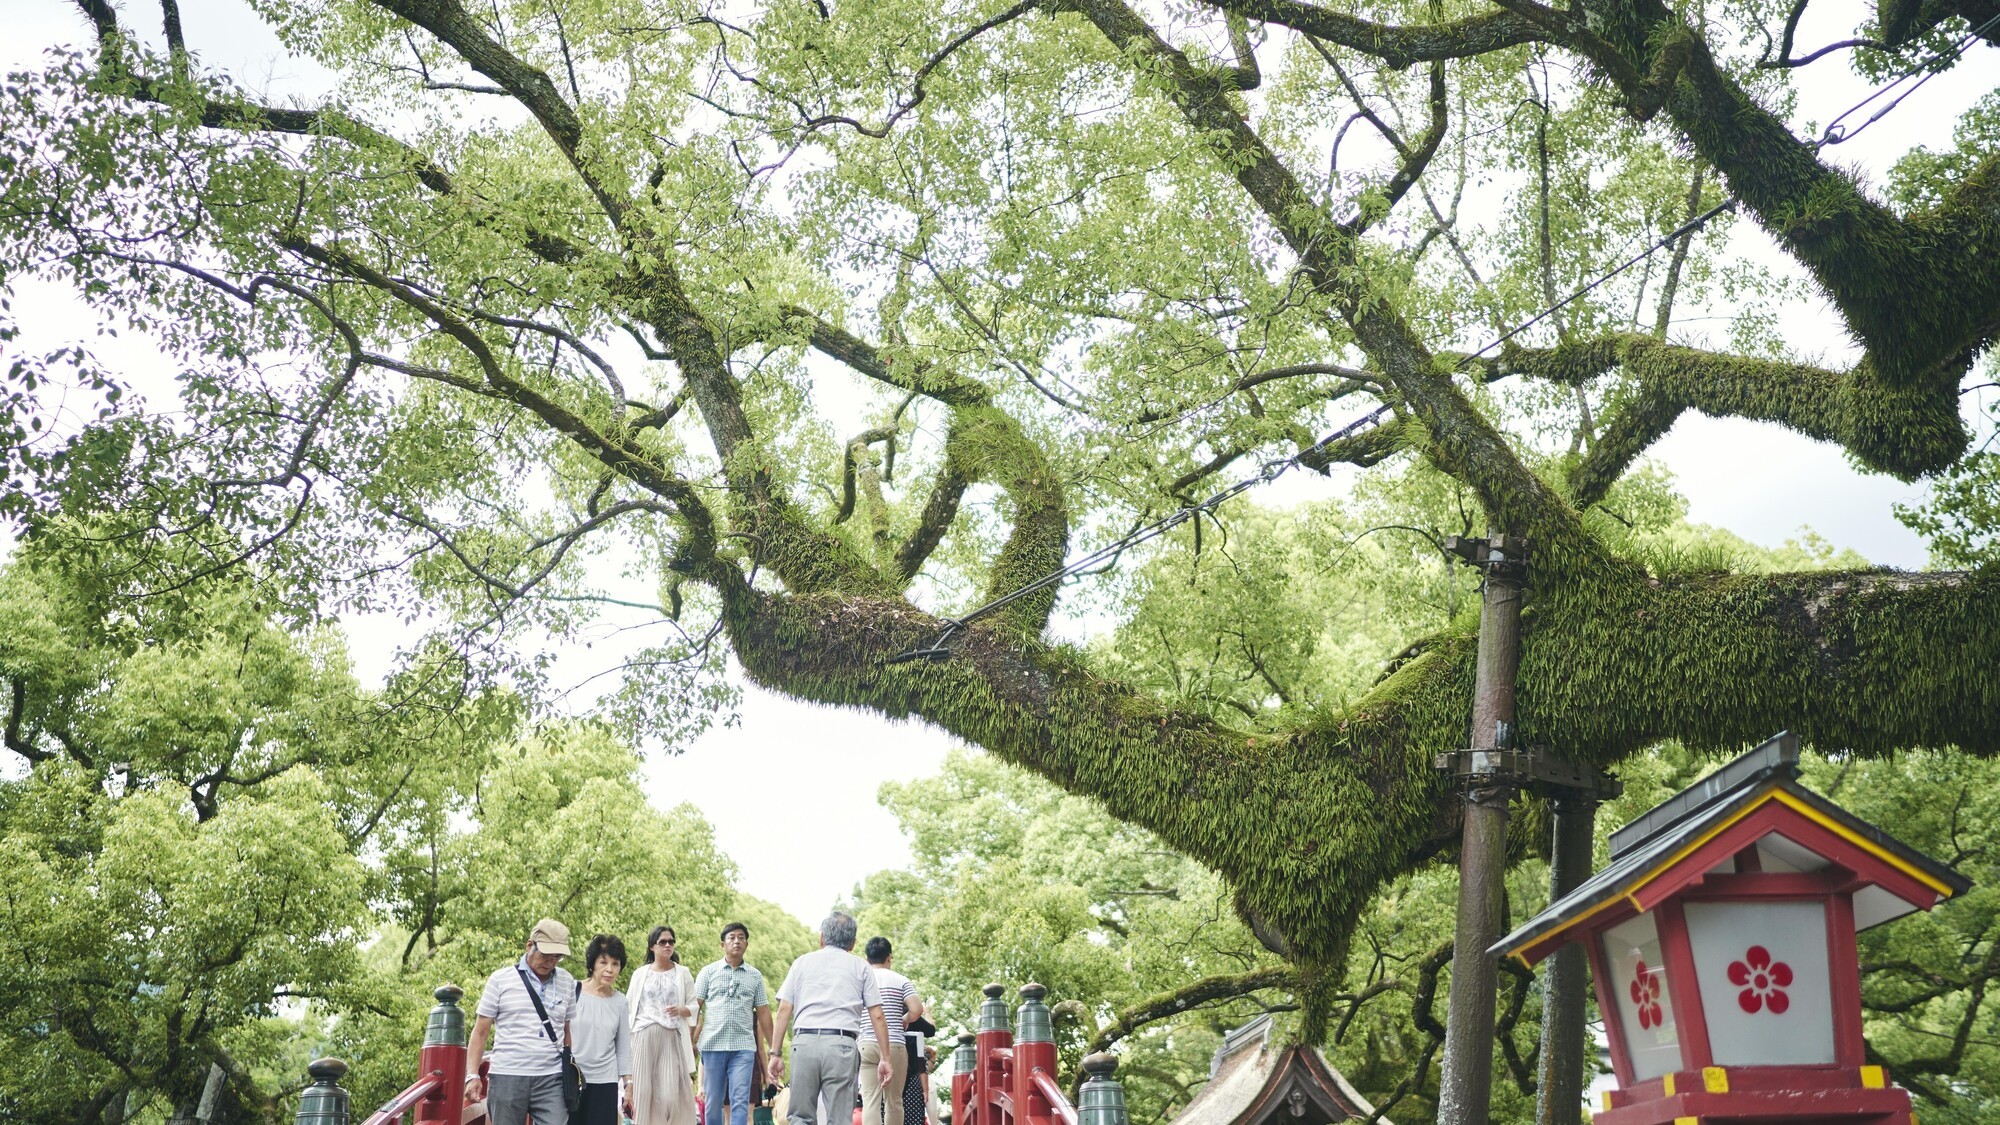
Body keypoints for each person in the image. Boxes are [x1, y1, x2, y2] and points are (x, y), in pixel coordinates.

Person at [766, 913, 893, 1125]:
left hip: (804, 1043)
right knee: (840, 1119)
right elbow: (877, 1015)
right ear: (852, 943)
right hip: (841, 1046)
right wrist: (886, 1058)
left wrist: (775, 1053)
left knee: (800, 1117)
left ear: (822, 938)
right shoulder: (861, 967)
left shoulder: (801, 963)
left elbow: (784, 1009)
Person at [468, 918, 579, 1125]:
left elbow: (566, 1030)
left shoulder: (567, 981)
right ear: (530, 945)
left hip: (552, 1078)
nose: (551, 961)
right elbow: (480, 1031)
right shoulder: (500, 980)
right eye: (546, 954)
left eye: (557, 957)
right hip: (507, 1074)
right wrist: (472, 1075)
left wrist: (568, 1067)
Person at [693, 922, 773, 1125]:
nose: (736, 941)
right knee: (713, 1101)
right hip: (712, 1046)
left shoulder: (754, 976)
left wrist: (775, 1048)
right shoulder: (708, 972)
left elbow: (763, 1012)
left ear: (746, 943)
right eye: (731, 937)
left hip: (743, 1048)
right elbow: (694, 1008)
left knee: (740, 1102)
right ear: (723, 944)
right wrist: (688, 1041)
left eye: (741, 937)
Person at [630, 925, 700, 1125]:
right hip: (643, 1037)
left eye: (671, 941)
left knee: (670, 1096)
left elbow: (694, 1006)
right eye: (662, 942)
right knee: (643, 1094)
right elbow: (629, 1008)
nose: (668, 945)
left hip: (671, 1037)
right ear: (652, 946)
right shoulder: (640, 974)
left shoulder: (683, 972)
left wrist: (680, 1010)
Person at [856, 939, 922, 1125]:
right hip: (894, 1045)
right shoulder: (900, 980)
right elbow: (917, 1009)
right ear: (889, 957)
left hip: (866, 1044)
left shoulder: (861, 981)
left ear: (866, 958)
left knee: (870, 1101)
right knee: (894, 1101)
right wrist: (905, 1019)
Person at [572, 934, 636, 1125]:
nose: (609, 969)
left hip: (605, 1082)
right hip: (571, 1080)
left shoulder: (620, 1002)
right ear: (592, 964)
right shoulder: (572, 991)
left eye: (615, 964)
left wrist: (628, 1086)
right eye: (603, 962)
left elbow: (623, 1047)